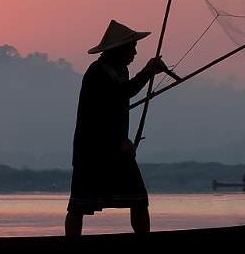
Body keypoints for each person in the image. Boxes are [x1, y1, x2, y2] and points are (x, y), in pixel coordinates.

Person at [66, 21, 168, 237]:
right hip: (92, 149)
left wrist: (147, 72)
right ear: (118, 50)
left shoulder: (122, 70)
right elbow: (116, 98)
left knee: (139, 199)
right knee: (78, 205)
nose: (134, 52)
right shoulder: (97, 73)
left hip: (118, 146)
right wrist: (147, 73)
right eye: (131, 47)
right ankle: (71, 249)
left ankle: (144, 244)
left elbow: (124, 93)